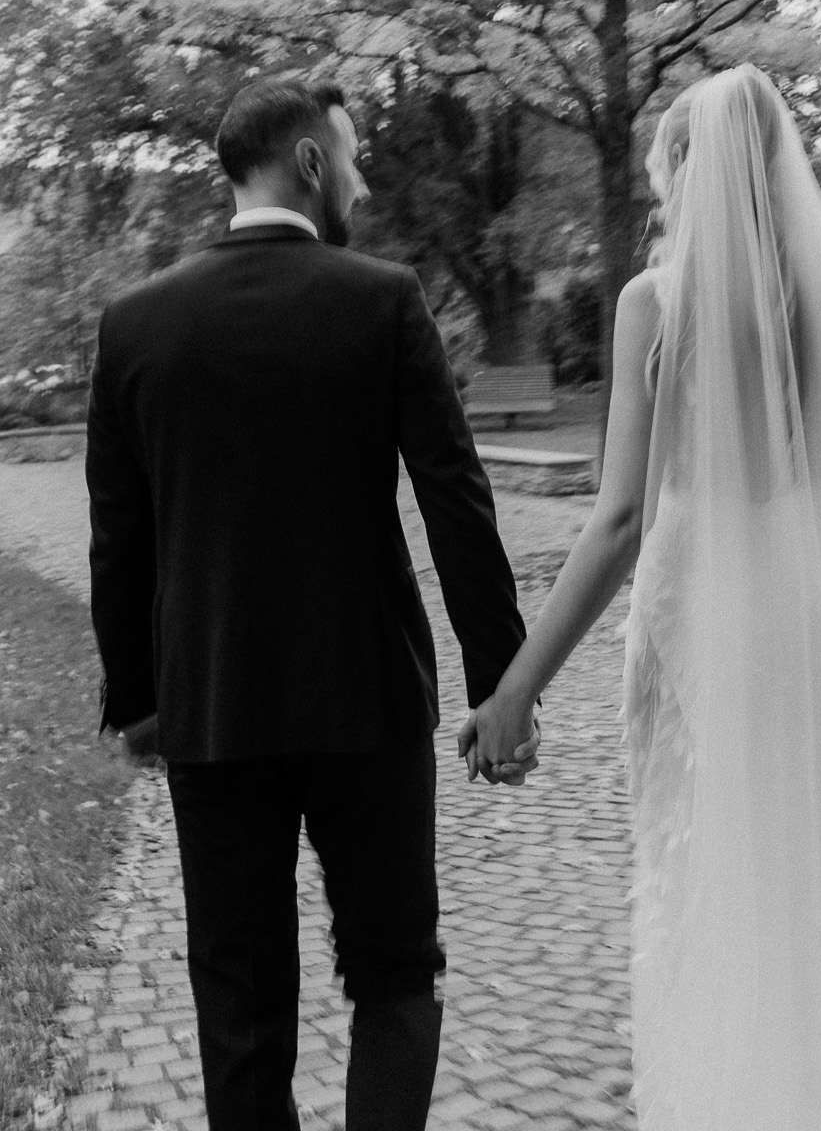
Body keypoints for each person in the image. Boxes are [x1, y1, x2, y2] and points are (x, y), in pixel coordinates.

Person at [461, 63, 821, 1130]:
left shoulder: (656, 303)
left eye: (665, 165)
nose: (657, 188)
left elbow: (618, 522)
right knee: (808, 876)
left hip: (696, 614)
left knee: (701, 884)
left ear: (691, 169)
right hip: (803, 613)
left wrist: (515, 690)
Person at [86, 72, 536, 1131]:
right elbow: (455, 500)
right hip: (366, 705)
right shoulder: (381, 298)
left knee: (238, 1003)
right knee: (394, 972)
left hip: (213, 709)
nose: (365, 184)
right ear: (310, 162)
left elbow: (120, 536)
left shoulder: (137, 324)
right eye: (354, 158)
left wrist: (141, 702)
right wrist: (503, 683)